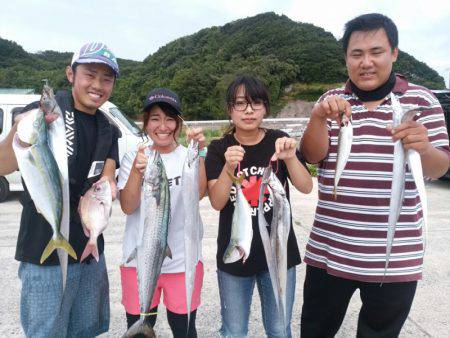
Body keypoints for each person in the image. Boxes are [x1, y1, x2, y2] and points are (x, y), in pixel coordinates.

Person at [300, 13, 450, 337]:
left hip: (395, 260)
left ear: (394, 53)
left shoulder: (421, 100)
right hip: (330, 252)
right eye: (357, 54)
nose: (366, 62)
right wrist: (316, 117)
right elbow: (313, 156)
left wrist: (423, 148)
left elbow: (441, 167)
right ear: (346, 59)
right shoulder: (330, 102)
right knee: (314, 331)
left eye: (376, 52)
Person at [0, 42, 120, 337]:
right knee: (46, 332)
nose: (97, 85)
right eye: (90, 75)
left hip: (90, 253)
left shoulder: (109, 128)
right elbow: (3, 165)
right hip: (42, 252)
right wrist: (18, 128)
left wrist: (110, 185)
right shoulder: (45, 111)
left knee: (85, 331)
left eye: (106, 79)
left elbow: (107, 175)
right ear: (71, 74)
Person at [205, 75, 313, 337]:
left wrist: (289, 158)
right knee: (234, 330)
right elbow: (217, 202)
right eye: (240, 104)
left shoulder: (280, 140)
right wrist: (229, 168)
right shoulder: (219, 148)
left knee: (279, 329)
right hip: (235, 254)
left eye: (256, 103)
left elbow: (306, 186)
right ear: (230, 109)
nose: (249, 110)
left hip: (279, 252)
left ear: (266, 107)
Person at [118, 88, 207, 337]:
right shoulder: (133, 158)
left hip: (182, 261)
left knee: (185, 330)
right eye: (155, 118)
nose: (163, 126)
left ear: (179, 123)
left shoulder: (187, 157)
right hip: (139, 261)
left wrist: (199, 152)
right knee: (139, 332)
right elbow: (127, 206)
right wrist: (137, 171)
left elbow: (199, 193)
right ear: (145, 123)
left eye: (170, 119)